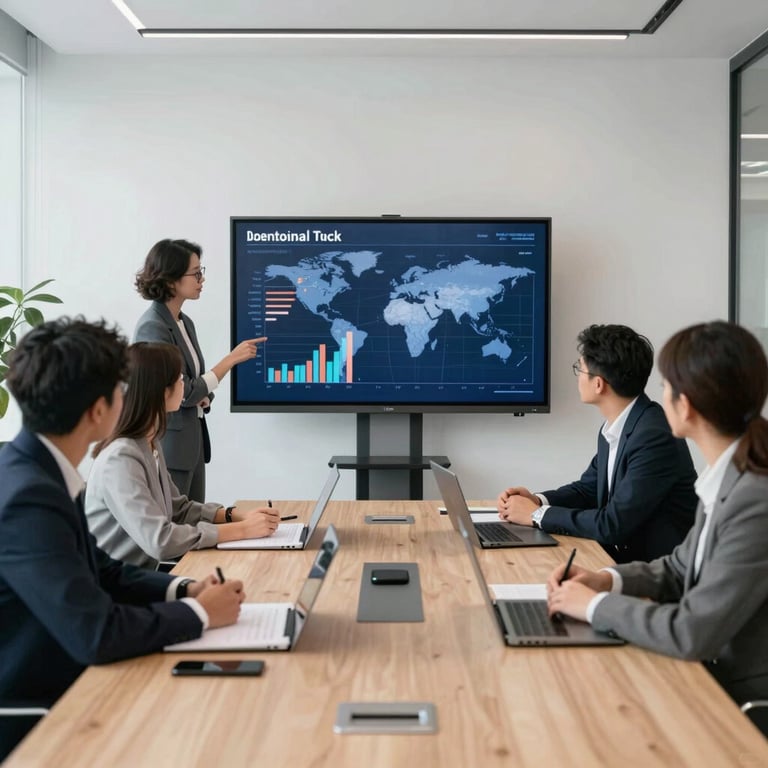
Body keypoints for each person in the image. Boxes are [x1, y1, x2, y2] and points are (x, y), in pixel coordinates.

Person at [0, 318, 246, 759]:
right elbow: (96, 633)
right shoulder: (29, 497)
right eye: (120, 388)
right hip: (47, 710)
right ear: (99, 410)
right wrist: (199, 614)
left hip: (77, 678)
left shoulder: (38, 470)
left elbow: (104, 571)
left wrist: (185, 590)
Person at [547, 321, 768, 712]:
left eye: (665, 385)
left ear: (686, 405)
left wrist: (594, 606)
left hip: (734, 695)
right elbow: (679, 568)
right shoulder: (729, 477)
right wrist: (605, 580)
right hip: (703, 667)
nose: (658, 396)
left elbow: (691, 631)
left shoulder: (754, 500)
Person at [497, 324, 698, 563]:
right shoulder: (618, 426)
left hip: (656, 571)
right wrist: (537, 500)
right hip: (622, 559)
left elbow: (613, 524)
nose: (578, 377)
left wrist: (536, 515)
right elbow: (588, 489)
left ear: (598, 384)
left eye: (579, 369)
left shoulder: (653, 436)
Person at [85, 342, 279, 569]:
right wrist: (243, 530)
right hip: (116, 586)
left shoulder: (149, 442)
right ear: (161, 390)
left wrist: (235, 515)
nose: (183, 384)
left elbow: (179, 509)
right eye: (179, 378)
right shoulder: (120, 460)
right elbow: (161, 541)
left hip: (140, 576)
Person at [134, 238, 266, 501]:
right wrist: (230, 360)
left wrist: (203, 395)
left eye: (200, 272)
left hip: (192, 444)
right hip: (171, 447)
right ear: (171, 280)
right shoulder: (153, 326)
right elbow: (182, 390)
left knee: (194, 519)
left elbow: (192, 384)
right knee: (176, 520)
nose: (201, 279)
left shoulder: (184, 322)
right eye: (195, 273)